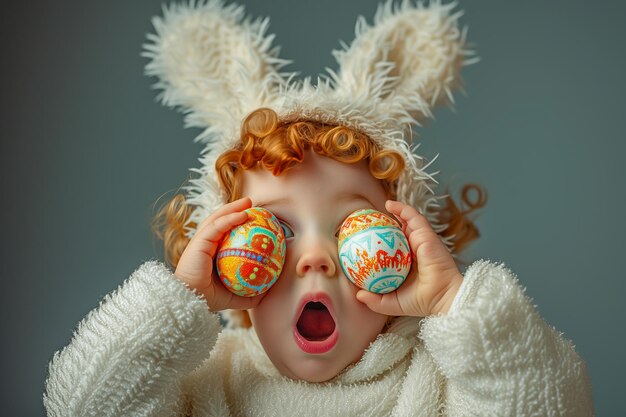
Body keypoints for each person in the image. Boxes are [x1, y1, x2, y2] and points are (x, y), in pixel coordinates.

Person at [44, 1, 594, 416]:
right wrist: (176, 308)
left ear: (407, 245)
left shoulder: (441, 385)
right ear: (218, 251)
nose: (315, 257)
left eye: (354, 225)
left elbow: (546, 403)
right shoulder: (205, 383)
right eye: (275, 226)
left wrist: (456, 306)